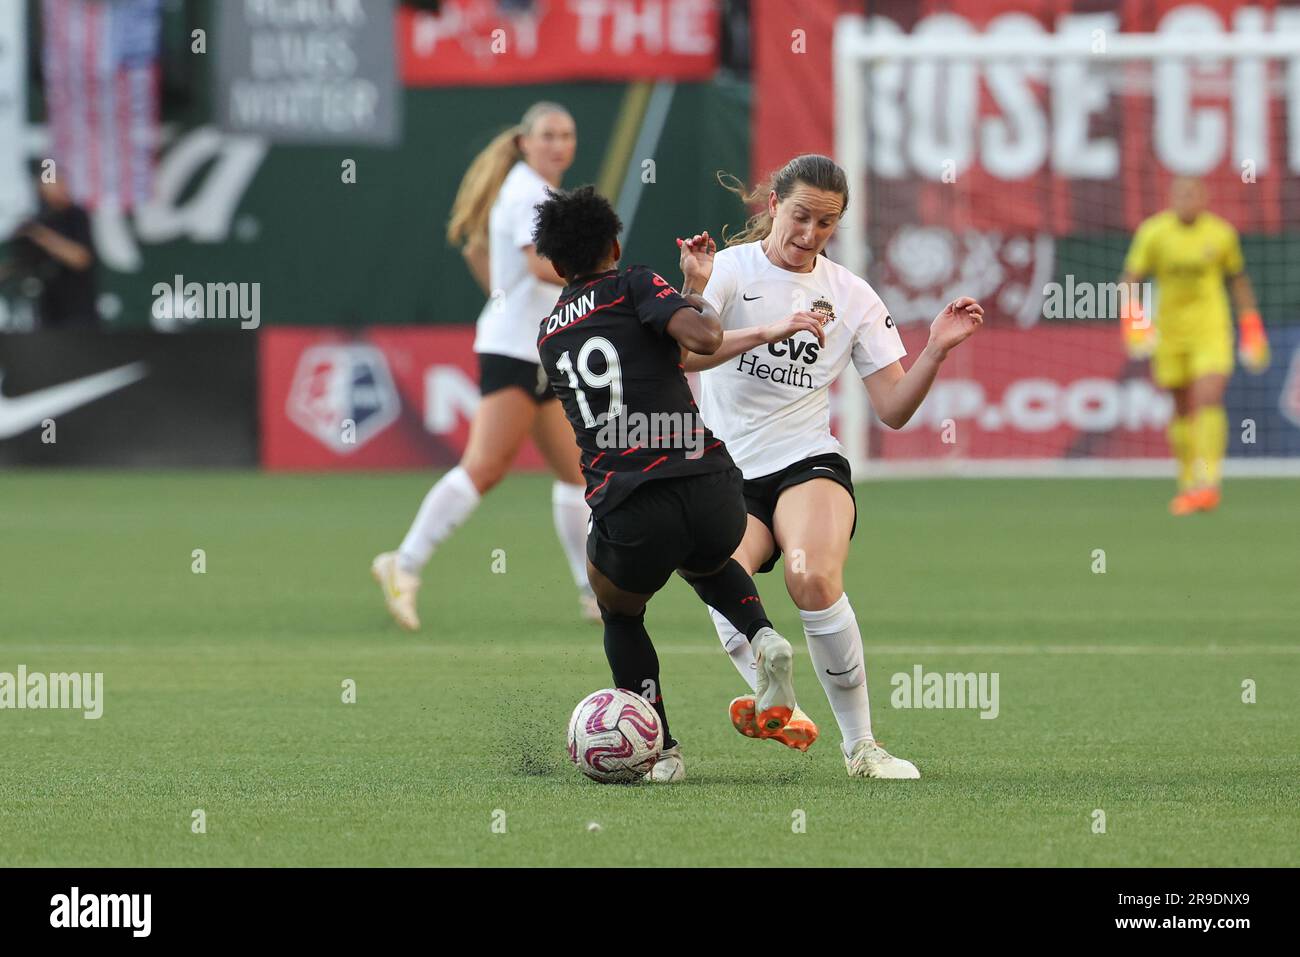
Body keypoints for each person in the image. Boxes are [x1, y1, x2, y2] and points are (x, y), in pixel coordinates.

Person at [680, 153, 984, 779]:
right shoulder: (728, 272)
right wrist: (744, 317)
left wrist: (933, 351)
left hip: (806, 463)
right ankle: (776, 695)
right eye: (799, 217)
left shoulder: (851, 296)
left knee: (811, 576)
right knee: (718, 572)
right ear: (773, 207)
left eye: (825, 225)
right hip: (726, 470)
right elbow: (686, 357)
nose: (808, 235)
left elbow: (894, 409)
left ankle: (862, 747)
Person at [534, 185, 814, 783]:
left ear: (556, 267)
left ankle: (662, 751)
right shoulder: (633, 281)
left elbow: (678, 352)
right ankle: (763, 637)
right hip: (712, 487)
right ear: (614, 243)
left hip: (631, 502)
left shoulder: (548, 336)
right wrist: (694, 285)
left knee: (620, 614)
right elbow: (702, 338)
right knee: (707, 563)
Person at [372, 102, 596, 628]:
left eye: (566, 135)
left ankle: (591, 591)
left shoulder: (533, 191)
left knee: (576, 474)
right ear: (524, 141)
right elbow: (536, 262)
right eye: (547, 135)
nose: (558, 144)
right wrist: (597, 276)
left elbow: (481, 256)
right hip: (515, 351)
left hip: (534, 347)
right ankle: (402, 565)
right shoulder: (530, 193)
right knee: (486, 467)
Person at [1119, 177, 1269, 515]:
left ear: (1204, 197)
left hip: (1211, 330)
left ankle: (1208, 482)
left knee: (1208, 396)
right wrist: (1135, 325)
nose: (1187, 200)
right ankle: (1188, 480)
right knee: (1182, 405)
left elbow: (1238, 281)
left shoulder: (1221, 234)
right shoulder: (1154, 233)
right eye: (1180, 194)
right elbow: (1129, 281)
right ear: (1171, 198)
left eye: (1193, 194)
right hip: (1170, 333)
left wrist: (1252, 329)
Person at [2, 174, 98, 328]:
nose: (58, 188)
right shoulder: (37, 221)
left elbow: (80, 258)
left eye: (59, 182)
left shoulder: (76, 215)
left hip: (78, 314)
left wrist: (40, 235)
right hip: (46, 315)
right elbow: (21, 265)